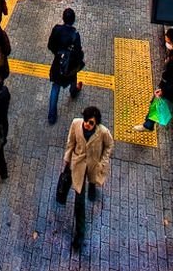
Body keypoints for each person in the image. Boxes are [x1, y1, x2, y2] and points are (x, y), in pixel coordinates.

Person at [63, 106, 114, 248]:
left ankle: (92, 188)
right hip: (78, 164)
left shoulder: (103, 132)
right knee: (79, 201)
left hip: (93, 165)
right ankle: (80, 234)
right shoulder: (76, 124)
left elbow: (109, 145)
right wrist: (67, 159)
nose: (87, 124)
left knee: (92, 181)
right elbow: (71, 142)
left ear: (96, 123)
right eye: (86, 120)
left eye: (91, 122)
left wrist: (103, 162)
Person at [134, 26, 173, 145]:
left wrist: (163, 91)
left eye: (168, 42)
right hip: (171, 92)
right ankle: (148, 125)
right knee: (156, 104)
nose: (166, 43)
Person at [47, 7, 85, 125]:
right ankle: (73, 91)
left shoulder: (57, 29)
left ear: (63, 18)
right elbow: (78, 51)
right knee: (73, 77)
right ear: (73, 20)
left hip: (58, 63)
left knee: (55, 87)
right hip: (69, 66)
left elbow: (50, 45)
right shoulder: (75, 34)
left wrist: (58, 54)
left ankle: (52, 117)